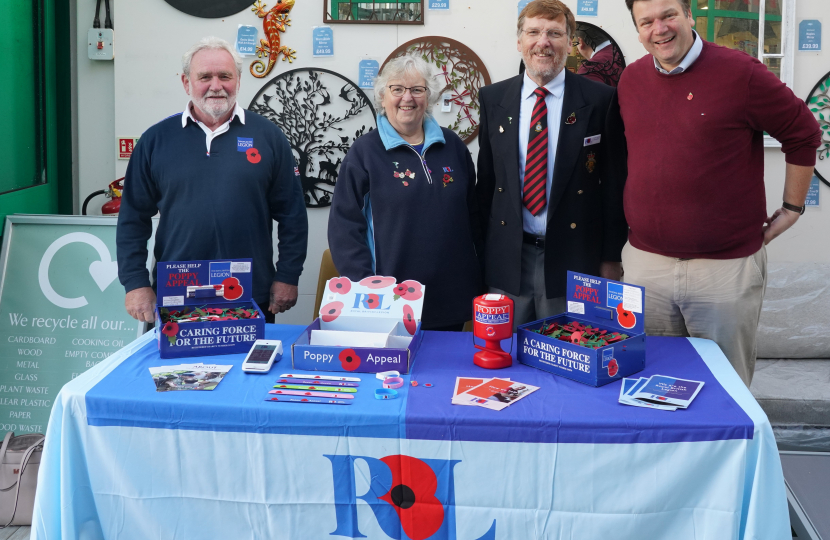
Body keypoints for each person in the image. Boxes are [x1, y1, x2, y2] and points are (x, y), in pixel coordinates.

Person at [618, 0, 821, 385]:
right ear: (637, 28)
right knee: (651, 385)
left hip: (724, 271)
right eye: (647, 22)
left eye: (668, 16)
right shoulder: (631, 80)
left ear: (689, 14)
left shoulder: (740, 73)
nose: (659, 29)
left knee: (725, 389)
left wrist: (793, 207)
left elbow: (804, 132)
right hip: (647, 266)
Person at [117, 36, 308, 324]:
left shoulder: (269, 137)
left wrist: (288, 275)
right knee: (175, 370)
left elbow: (293, 215)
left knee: (248, 369)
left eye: (225, 76)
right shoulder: (156, 140)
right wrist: (135, 283)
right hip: (175, 295)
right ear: (186, 82)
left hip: (250, 293)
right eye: (204, 76)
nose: (216, 85)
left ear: (239, 81)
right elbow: (133, 218)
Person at [476, 0, 627, 328]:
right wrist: (479, 258)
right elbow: (487, 184)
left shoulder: (600, 100)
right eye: (533, 32)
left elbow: (614, 186)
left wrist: (611, 258)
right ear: (519, 42)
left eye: (555, 33)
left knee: (567, 357)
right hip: (507, 261)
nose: (543, 42)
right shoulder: (493, 100)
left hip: (574, 259)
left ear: (570, 42)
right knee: (505, 358)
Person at [328, 55, 483, 331]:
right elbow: (344, 227)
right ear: (382, 96)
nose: (406, 98)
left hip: (451, 298)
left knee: (443, 372)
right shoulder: (365, 153)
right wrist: (366, 287)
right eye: (397, 89)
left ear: (429, 96)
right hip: (391, 300)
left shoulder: (453, 146)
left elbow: (475, 216)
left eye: (417, 89)